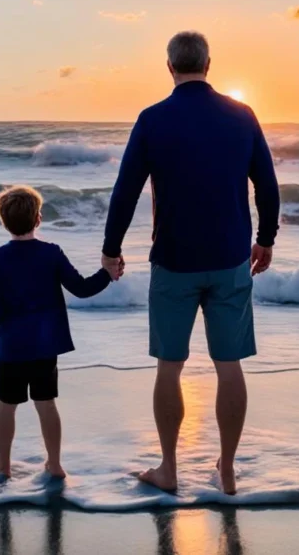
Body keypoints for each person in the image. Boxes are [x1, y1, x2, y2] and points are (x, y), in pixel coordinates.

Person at [101, 31, 280, 495]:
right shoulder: (243, 115)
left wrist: (111, 248)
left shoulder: (153, 119)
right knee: (229, 365)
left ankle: (169, 469)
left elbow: (125, 191)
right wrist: (265, 239)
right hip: (229, 260)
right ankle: (227, 471)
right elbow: (267, 185)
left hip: (174, 262)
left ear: (169, 67)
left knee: (169, 367)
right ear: (209, 63)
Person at [0, 185, 119, 479]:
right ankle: (55, 464)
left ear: (3, 221)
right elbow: (82, 289)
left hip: (11, 349)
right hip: (45, 346)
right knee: (46, 404)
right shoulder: (51, 254)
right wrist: (107, 275)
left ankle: (4, 464)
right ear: (38, 219)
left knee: (6, 407)